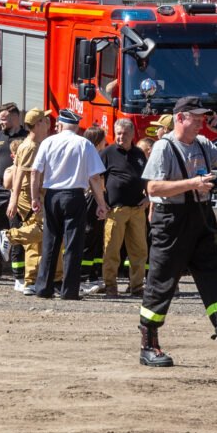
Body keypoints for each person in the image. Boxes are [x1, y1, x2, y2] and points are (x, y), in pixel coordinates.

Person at [136, 96, 217, 368]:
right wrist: (193, 183)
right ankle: (149, 346)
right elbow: (153, 189)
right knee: (162, 282)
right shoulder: (164, 147)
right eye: (196, 118)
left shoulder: (204, 144)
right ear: (181, 117)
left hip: (200, 218)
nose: (201, 123)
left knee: (214, 278)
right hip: (171, 221)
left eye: (203, 118)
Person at [26, 110, 108, 301]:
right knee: (73, 244)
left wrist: (34, 197)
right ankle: (69, 290)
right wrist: (101, 203)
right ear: (77, 126)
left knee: (50, 242)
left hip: (52, 195)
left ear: (60, 125)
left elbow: (34, 172)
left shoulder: (48, 142)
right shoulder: (84, 144)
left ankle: (43, 288)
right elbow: (95, 177)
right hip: (75, 195)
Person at [100, 118, 148, 299]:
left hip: (137, 209)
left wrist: (149, 198)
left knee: (139, 251)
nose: (121, 137)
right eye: (118, 133)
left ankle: (136, 287)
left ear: (132, 134)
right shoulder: (107, 153)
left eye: (125, 134)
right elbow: (96, 178)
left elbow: (148, 178)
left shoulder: (139, 154)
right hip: (115, 210)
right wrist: (101, 202)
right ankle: (110, 286)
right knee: (111, 250)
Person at [5, 109, 52, 294]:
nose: (48, 122)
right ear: (38, 124)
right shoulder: (30, 146)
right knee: (42, 228)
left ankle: (31, 280)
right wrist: (14, 200)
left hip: (36, 192)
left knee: (35, 240)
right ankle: (7, 237)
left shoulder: (37, 144)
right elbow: (19, 174)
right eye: (45, 120)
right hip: (28, 193)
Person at [0, 103, 27, 279]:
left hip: (22, 189)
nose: (0, 122)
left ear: (15, 117)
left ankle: (21, 270)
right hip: (1, 188)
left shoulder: (26, 137)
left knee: (19, 228)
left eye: (4, 119)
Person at [78, 124, 110, 295]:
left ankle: (94, 275)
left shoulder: (96, 155)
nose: (106, 142)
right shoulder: (90, 157)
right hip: (91, 198)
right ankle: (83, 278)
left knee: (97, 238)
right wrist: (101, 202)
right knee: (89, 235)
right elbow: (95, 180)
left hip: (98, 198)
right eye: (103, 139)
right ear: (97, 141)